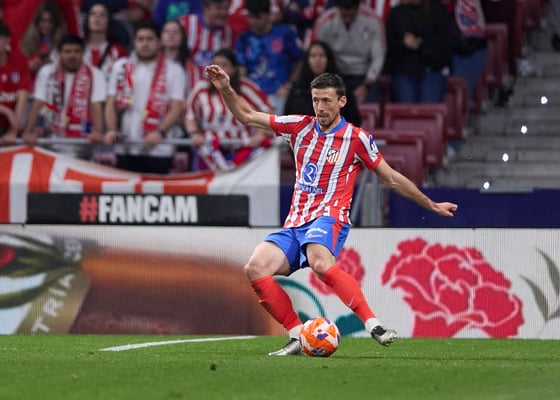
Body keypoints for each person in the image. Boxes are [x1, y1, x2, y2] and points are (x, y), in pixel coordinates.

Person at [204, 64, 458, 355]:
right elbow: (247, 115)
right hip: (295, 222)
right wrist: (225, 88)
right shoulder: (298, 126)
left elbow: (390, 178)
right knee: (255, 267)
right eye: (316, 100)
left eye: (326, 100)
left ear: (342, 101)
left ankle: (373, 325)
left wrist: (430, 204)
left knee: (320, 261)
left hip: (330, 216)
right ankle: (299, 336)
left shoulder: (357, 138)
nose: (320, 107)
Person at [105, 20, 186, 174]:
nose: (145, 44)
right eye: (140, 39)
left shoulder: (175, 70)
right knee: (126, 188)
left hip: (159, 147)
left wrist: (160, 132)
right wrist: (112, 129)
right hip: (127, 143)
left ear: (159, 42)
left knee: (157, 188)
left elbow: (176, 107)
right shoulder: (121, 67)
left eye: (150, 39)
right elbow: (111, 103)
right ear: (134, 42)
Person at [185, 48, 273, 171]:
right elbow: (190, 115)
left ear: (234, 68)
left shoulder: (245, 87)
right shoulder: (201, 88)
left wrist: (261, 133)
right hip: (210, 149)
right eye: (216, 65)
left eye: (224, 65)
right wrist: (194, 133)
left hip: (243, 147)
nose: (219, 70)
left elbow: (267, 109)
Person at [22, 34, 106, 160]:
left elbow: (97, 105)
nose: (72, 56)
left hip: (82, 143)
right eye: (67, 51)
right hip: (51, 140)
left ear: (83, 53)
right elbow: (38, 102)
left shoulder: (95, 74)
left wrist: (98, 132)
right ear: (59, 53)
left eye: (76, 51)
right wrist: (28, 131)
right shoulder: (47, 72)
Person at [236, 0, 304, 115]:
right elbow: (241, 69)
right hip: (252, 95)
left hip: (279, 93)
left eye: (257, 17)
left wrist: (289, 85)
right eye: (250, 17)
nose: (252, 21)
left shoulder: (285, 33)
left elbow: (300, 60)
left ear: (269, 15)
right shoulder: (244, 38)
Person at [312, 0, 385, 104]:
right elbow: (319, 52)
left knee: (369, 105)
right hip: (334, 73)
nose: (347, 19)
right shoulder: (325, 22)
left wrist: (366, 85)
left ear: (358, 8)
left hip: (364, 74)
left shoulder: (373, 21)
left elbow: (378, 56)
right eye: (344, 15)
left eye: (351, 15)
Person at [384, 0, 453, 103]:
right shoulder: (397, 13)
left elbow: (445, 41)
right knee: (407, 110)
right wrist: (403, 43)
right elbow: (388, 43)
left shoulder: (438, 10)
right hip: (403, 70)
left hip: (433, 69)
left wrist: (420, 43)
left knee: (429, 110)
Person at [284, 40, 361, 127]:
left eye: (321, 55)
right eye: (313, 56)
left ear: (328, 59)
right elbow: (287, 118)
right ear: (307, 60)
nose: (317, 60)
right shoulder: (298, 88)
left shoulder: (341, 87)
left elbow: (353, 119)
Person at [178, 0, 233, 90]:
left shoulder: (227, 31)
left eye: (226, 8)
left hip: (212, 91)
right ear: (206, 9)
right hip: (184, 87)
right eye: (219, 8)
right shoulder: (185, 24)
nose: (223, 12)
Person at [20, 1, 68, 84]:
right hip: (31, 87)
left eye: (51, 21)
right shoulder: (26, 42)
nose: (47, 25)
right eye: (43, 21)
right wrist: (28, 67)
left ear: (56, 23)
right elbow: (16, 70)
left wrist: (53, 64)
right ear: (37, 22)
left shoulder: (64, 43)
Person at [0, 22, 31, 145]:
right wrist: (8, 112)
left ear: (7, 41)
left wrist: (14, 129)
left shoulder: (19, 60)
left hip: (11, 125)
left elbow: (22, 94)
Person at [82, 2, 128, 81]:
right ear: (87, 19)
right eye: (93, 14)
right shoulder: (78, 48)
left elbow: (123, 80)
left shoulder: (119, 50)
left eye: (102, 15)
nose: (97, 17)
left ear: (108, 21)